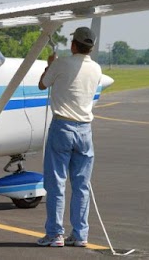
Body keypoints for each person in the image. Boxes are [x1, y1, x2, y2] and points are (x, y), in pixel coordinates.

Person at [36, 27, 102, 247]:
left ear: (74, 45)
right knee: (81, 185)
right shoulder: (97, 69)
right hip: (85, 130)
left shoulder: (61, 63)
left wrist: (49, 64)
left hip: (62, 127)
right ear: (90, 47)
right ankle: (80, 234)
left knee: (56, 183)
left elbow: (42, 84)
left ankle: (55, 234)